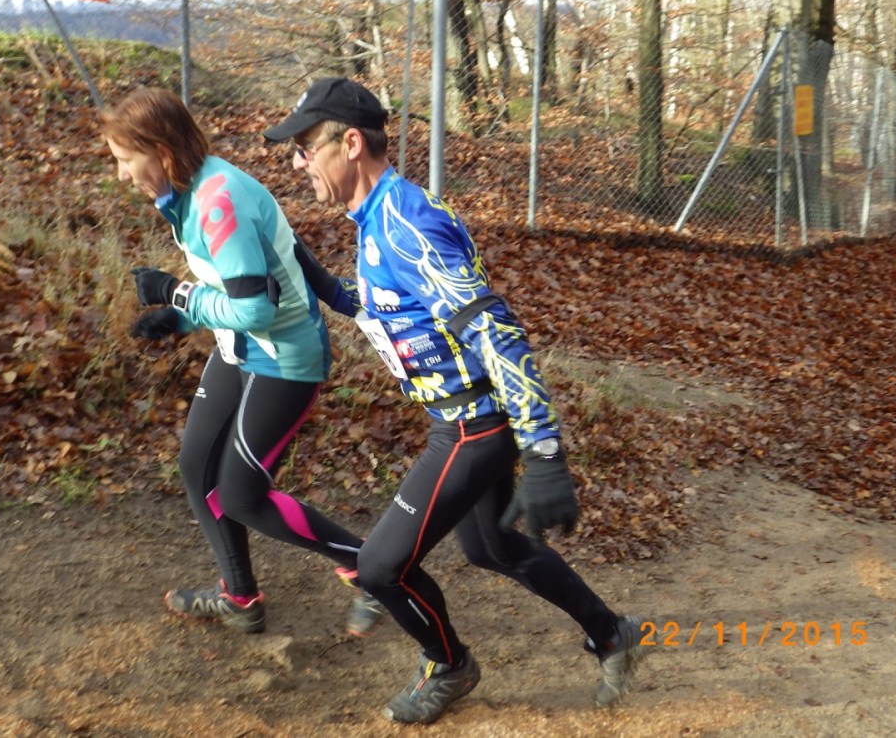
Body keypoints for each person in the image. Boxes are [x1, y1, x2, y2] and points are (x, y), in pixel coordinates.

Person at [264, 76, 652, 725]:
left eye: (305, 148)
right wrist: (319, 279)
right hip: (464, 419)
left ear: (350, 143)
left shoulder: (404, 224)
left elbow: (494, 329)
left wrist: (545, 449)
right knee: (492, 548)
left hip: (472, 425)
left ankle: (448, 666)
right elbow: (394, 307)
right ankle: (612, 634)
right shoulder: (380, 217)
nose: (298, 163)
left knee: (380, 568)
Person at [101, 86, 384, 640]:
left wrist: (176, 294)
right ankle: (240, 597)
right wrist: (182, 319)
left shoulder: (217, 199)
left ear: (161, 152)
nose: (121, 175)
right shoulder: (189, 190)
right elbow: (245, 276)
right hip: (242, 345)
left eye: (125, 160)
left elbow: (256, 307)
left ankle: (370, 568)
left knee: (241, 494)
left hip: (284, 356)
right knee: (196, 465)